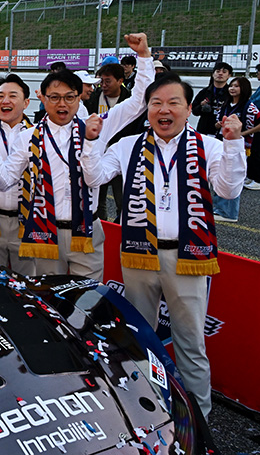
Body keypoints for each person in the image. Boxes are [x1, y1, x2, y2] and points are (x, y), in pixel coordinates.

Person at [81, 73, 245, 420]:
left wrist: (232, 144)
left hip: (188, 257)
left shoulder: (209, 145)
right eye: (156, 103)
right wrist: (92, 141)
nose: (164, 110)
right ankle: (145, 412)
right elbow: (94, 178)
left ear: (189, 109)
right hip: (139, 254)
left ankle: (199, 420)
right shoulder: (128, 146)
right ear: (147, 110)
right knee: (138, 338)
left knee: (190, 344)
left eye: (173, 103)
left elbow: (229, 190)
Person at [0, 33, 156, 279]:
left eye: (70, 97)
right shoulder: (29, 137)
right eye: (55, 97)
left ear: (79, 98)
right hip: (44, 232)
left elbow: (138, 102)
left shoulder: (96, 126)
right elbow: (5, 180)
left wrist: (143, 57)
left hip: (87, 231)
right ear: (43, 99)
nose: (62, 104)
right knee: (49, 303)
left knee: (88, 301)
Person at [0, 74, 35, 276]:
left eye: (12, 96)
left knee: (27, 286)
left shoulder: (38, 135)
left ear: (26, 102)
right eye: (0, 96)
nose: (5, 101)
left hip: (26, 224)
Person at [86, 63, 133, 221]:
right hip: (99, 156)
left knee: (122, 200)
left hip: (120, 157)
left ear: (120, 80)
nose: (103, 85)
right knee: (99, 201)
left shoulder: (130, 100)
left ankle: (120, 233)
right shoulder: (94, 97)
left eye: (108, 81)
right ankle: (102, 232)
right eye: (101, 81)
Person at [211, 76, 258, 222]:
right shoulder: (226, 104)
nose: (232, 88)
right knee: (221, 173)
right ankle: (219, 208)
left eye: (236, 86)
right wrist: (219, 125)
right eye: (231, 85)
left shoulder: (249, 106)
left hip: (241, 146)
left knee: (233, 175)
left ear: (243, 88)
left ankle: (229, 212)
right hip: (222, 142)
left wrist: (242, 134)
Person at [192, 61, 233, 135]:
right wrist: (201, 106)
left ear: (229, 75)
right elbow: (194, 111)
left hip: (223, 132)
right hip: (204, 130)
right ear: (213, 74)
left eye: (224, 72)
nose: (220, 74)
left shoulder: (231, 93)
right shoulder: (204, 92)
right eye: (217, 71)